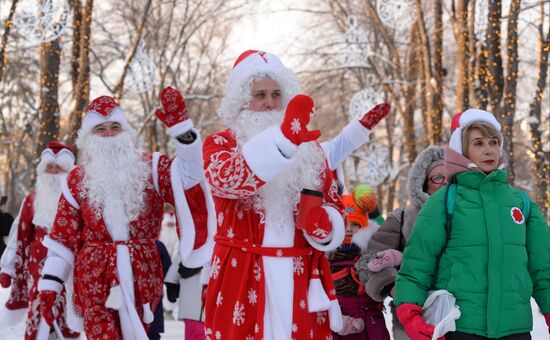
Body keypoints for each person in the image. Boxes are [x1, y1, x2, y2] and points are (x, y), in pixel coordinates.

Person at [36, 90, 216, 339]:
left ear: (126, 131)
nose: (108, 134)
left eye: (114, 127)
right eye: (100, 129)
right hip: (94, 278)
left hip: (142, 274)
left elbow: (189, 178)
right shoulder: (76, 179)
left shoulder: (151, 167)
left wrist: (183, 132)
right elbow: (63, 237)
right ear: (90, 136)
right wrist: (51, 284)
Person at [202, 49, 349, 339]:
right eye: (260, 95)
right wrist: (282, 144)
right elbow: (228, 181)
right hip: (242, 273)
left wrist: (326, 224)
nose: (270, 103)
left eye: (276, 94)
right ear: (242, 100)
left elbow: (332, 201)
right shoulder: (220, 143)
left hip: (301, 275)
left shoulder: (310, 149)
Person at [394, 109, 550, 339]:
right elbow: (418, 263)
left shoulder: (522, 204)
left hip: (514, 329)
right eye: (478, 143)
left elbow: (543, 268)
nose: (489, 150)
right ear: (462, 150)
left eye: (494, 142)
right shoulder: (443, 202)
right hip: (462, 327)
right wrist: (409, 311)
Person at [355, 145, 446, 340]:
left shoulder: (471, 217)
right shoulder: (402, 217)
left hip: (464, 319)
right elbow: (369, 261)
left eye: (451, 178)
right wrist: (395, 289)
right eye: (438, 178)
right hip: (413, 320)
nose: (445, 184)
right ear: (423, 182)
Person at [0, 142, 79, 339]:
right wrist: (8, 268)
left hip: (70, 268)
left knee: (68, 313)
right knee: (38, 315)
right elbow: (20, 233)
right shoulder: (32, 199)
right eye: (49, 167)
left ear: (68, 170)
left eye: (58, 167)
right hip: (38, 271)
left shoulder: (78, 198)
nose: (54, 172)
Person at [329, 184, 390, 340]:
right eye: (345, 224)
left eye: (354, 224)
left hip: (371, 321)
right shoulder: (327, 257)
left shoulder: (370, 252)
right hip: (340, 322)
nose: (349, 229)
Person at [164, 253, 205, 340]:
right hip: (202, 299)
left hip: (190, 300)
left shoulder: (190, 246)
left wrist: (171, 283)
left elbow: (180, 257)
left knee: (194, 331)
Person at [147, 240, 172, 340]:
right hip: (154, 294)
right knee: (152, 332)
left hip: (131, 297)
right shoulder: (157, 245)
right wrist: (172, 287)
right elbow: (168, 271)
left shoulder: (126, 244)